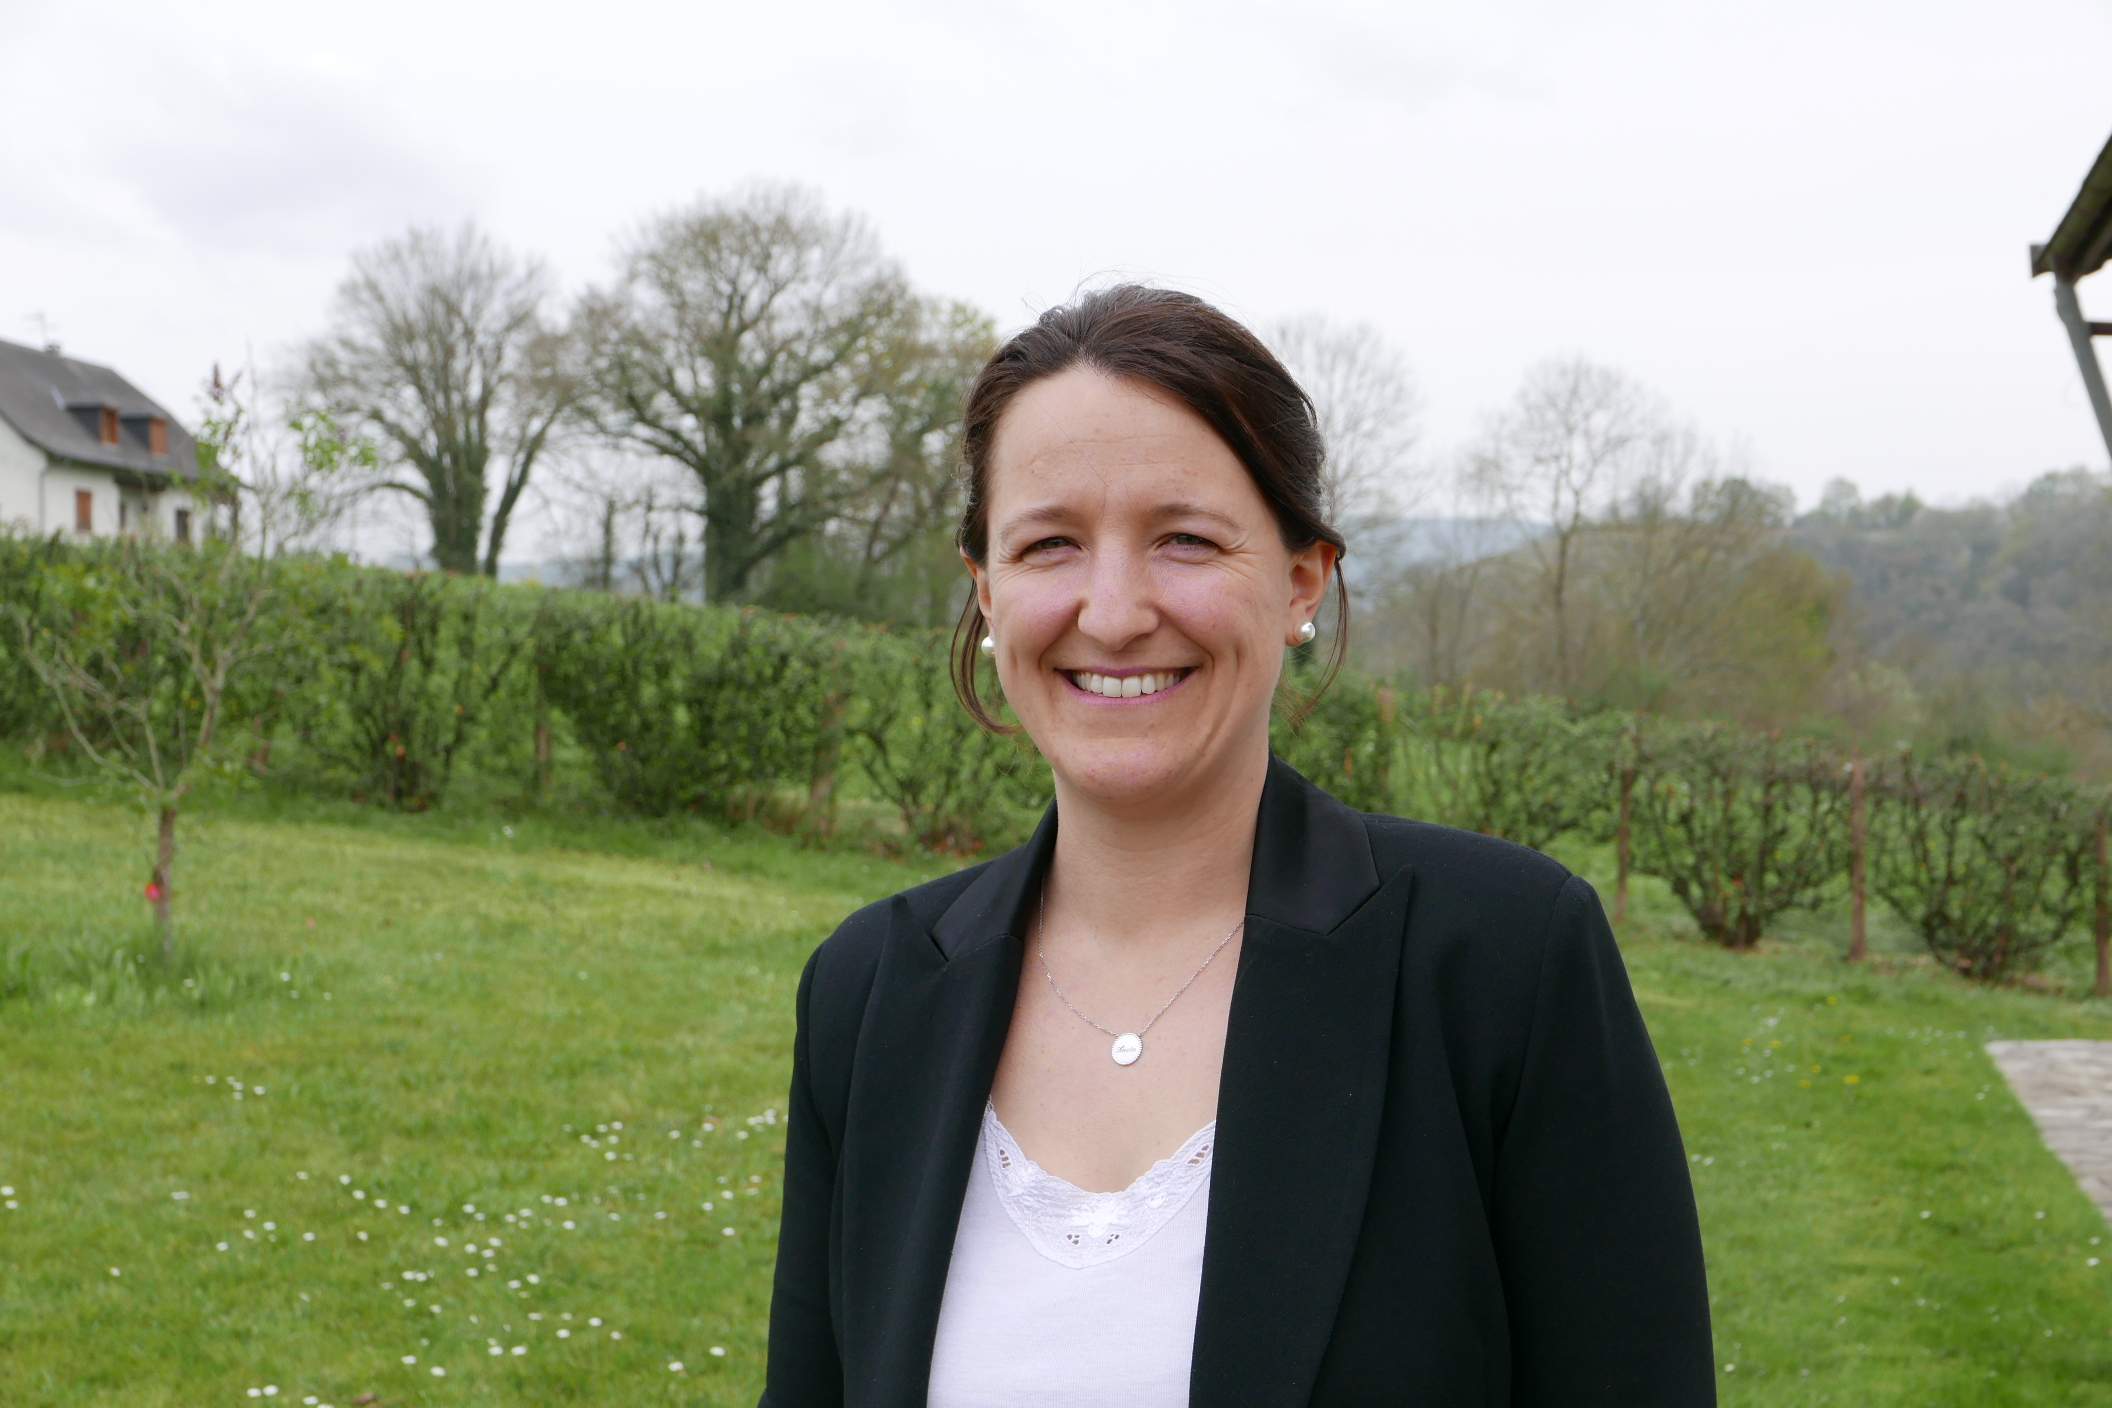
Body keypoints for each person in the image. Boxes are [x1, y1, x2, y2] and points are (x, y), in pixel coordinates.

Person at [757, 284, 1714, 1407]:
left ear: (1302, 581)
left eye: (1185, 540)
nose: (1114, 612)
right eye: (1050, 544)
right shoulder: (870, 992)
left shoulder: (1505, 963)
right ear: (986, 589)